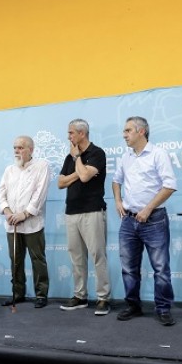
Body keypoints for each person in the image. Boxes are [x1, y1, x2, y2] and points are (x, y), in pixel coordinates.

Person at [112, 116, 178, 326]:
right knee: (129, 267)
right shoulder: (125, 157)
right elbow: (116, 180)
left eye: (128, 130)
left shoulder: (158, 154)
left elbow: (169, 185)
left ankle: (163, 308)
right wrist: (118, 200)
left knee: (160, 268)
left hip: (155, 220)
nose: (124, 135)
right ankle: (133, 305)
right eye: (124, 131)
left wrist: (148, 209)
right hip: (129, 221)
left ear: (141, 132)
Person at [57, 119, 111, 316]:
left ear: (82, 134)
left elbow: (87, 177)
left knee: (98, 255)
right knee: (76, 257)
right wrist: (78, 173)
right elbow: (61, 183)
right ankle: (80, 296)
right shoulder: (68, 157)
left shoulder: (97, 153)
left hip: (93, 210)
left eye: (71, 133)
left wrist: (78, 158)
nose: (68, 137)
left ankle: (103, 298)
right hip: (72, 212)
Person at [0, 135, 50, 308]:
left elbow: (40, 194)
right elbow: (1, 192)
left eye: (20, 147)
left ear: (31, 150)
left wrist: (25, 214)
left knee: (37, 259)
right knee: (15, 260)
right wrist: (7, 211)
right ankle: (17, 293)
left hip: (32, 223)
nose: (16, 151)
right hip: (12, 224)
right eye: (15, 148)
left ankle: (41, 295)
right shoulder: (9, 169)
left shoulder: (41, 166)